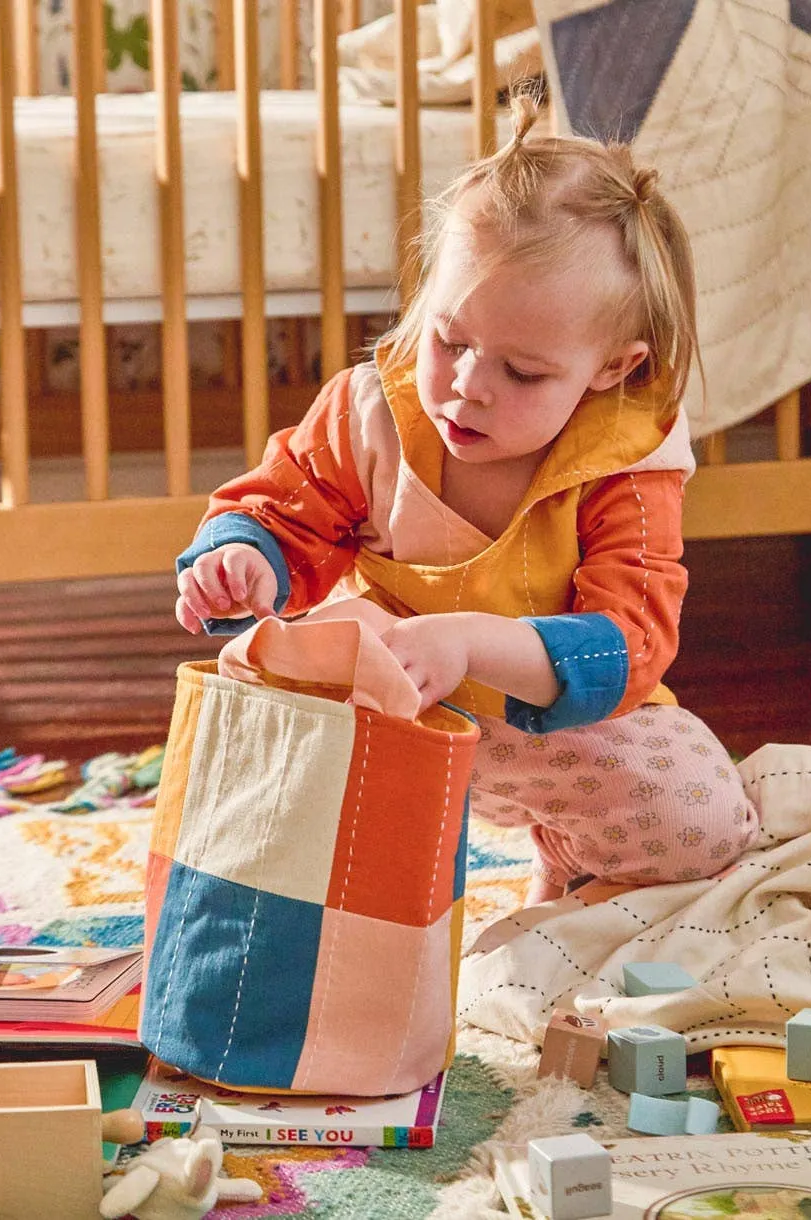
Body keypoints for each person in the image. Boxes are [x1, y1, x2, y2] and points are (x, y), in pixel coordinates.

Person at [174, 93, 760, 906]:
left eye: (523, 372)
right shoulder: (376, 410)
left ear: (612, 369)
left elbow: (632, 641)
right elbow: (281, 509)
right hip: (391, 714)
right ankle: (348, 899)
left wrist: (466, 643)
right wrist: (245, 559)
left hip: (555, 732)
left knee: (703, 816)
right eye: (451, 339)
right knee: (258, 742)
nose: (466, 388)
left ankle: (571, 858)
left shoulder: (624, 464)